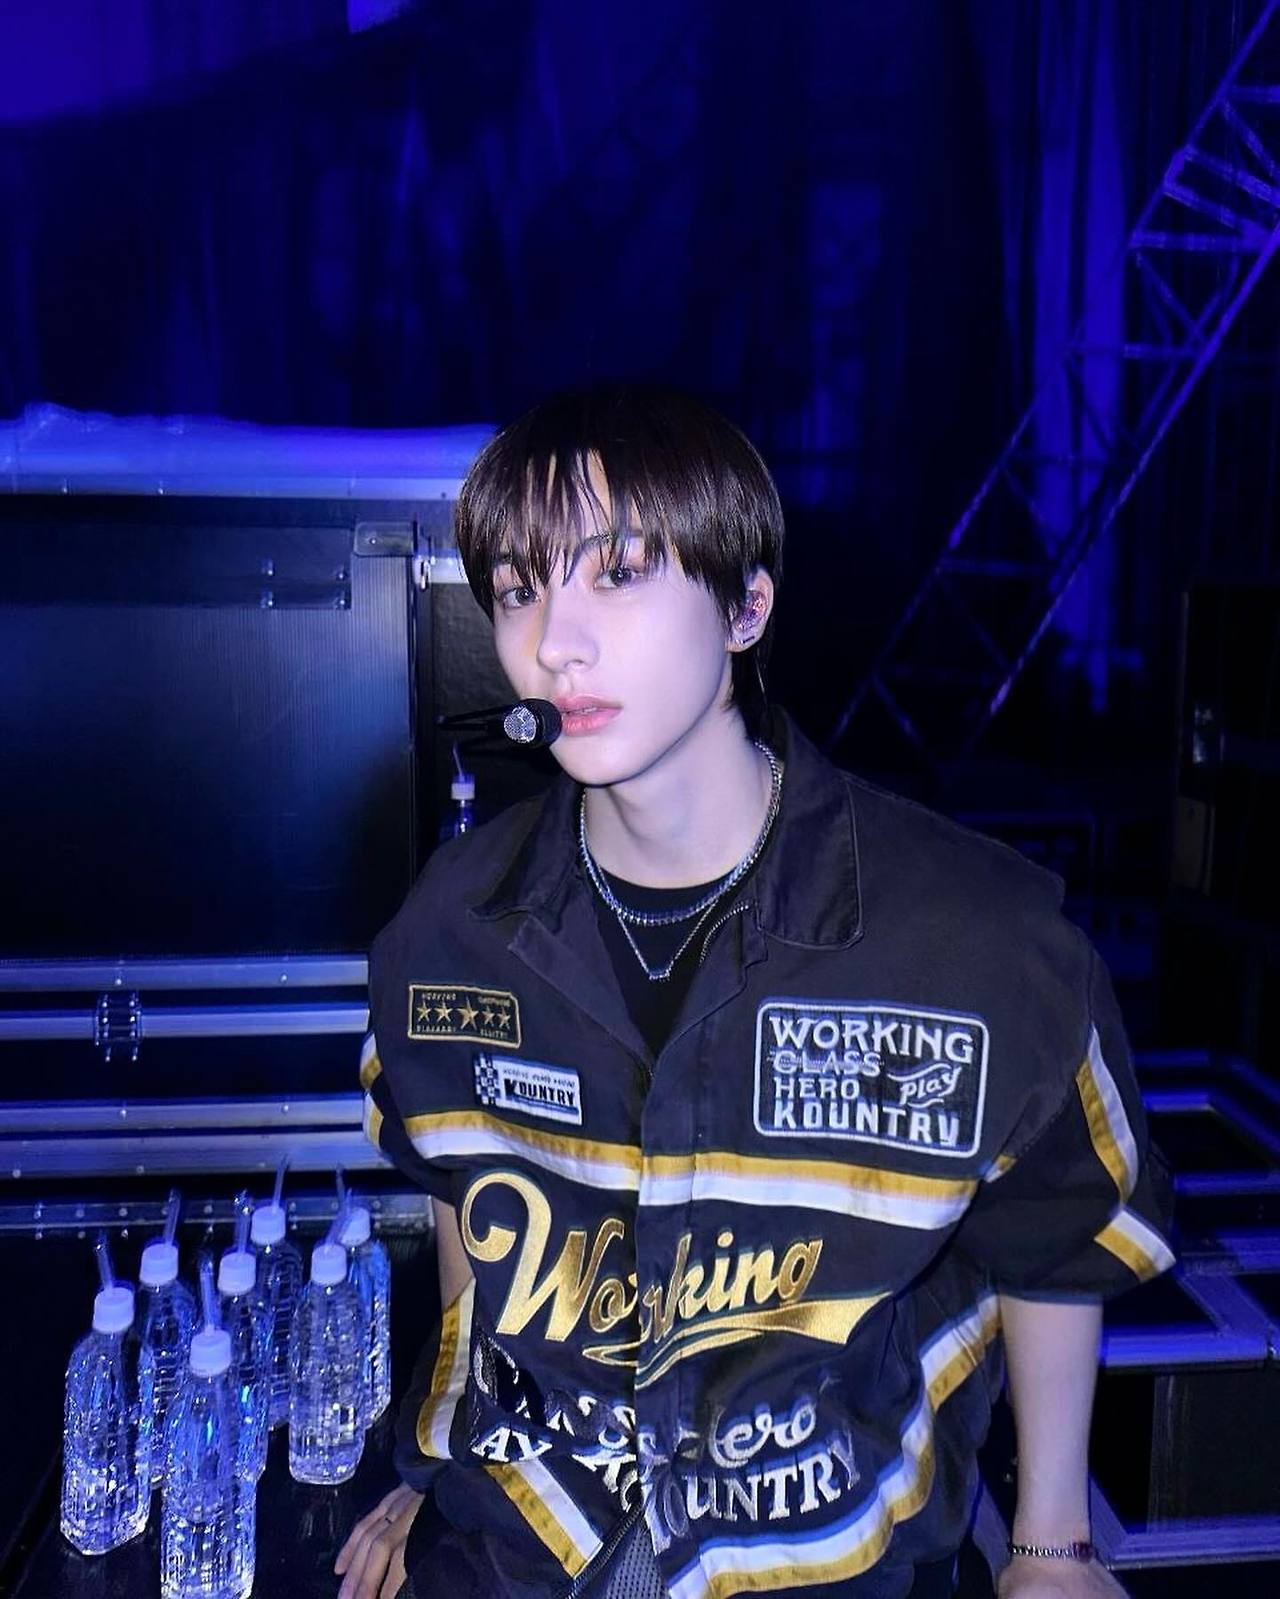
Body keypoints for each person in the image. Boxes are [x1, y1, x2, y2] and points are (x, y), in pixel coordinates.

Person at [336, 384, 1174, 1599]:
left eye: (618, 573)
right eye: (517, 589)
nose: (554, 642)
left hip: (827, 1561)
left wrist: (1049, 1546)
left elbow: (1053, 1240)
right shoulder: (446, 930)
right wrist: (440, 1457)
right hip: (523, 1548)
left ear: (744, 609)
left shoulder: (975, 942)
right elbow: (463, 1196)